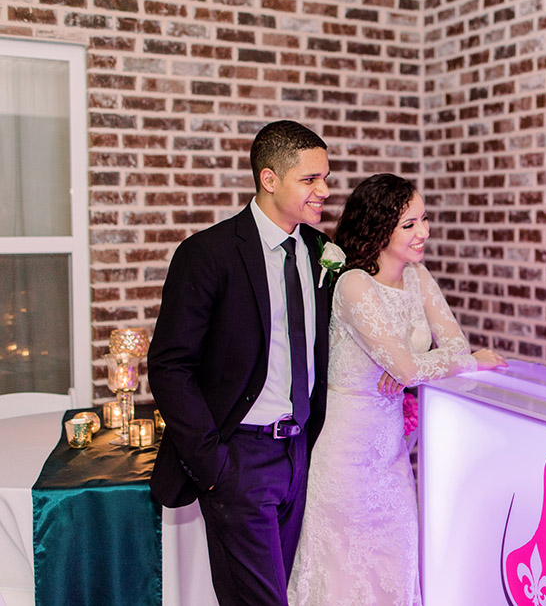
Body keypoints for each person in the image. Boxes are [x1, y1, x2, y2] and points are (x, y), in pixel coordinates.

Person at [286, 173, 507, 605]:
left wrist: (413, 367)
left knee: (396, 563)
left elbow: (449, 343)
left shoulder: (418, 277)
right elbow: (419, 364)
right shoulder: (354, 284)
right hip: (346, 456)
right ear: (377, 227)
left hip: (392, 455)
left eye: (423, 220)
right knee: (342, 574)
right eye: (409, 224)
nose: (423, 232)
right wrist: (443, 364)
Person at [148, 120, 336, 605]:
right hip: (240, 459)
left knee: (279, 591)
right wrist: (213, 464)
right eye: (310, 179)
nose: (325, 190)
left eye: (326, 177)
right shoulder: (207, 254)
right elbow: (170, 365)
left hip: (297, 454)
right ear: (269, 179)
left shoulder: (318, 252)